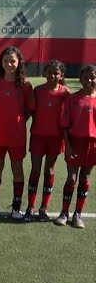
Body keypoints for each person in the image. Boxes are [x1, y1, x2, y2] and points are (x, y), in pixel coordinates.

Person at [0, 46, 33, 219]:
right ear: (1, 62)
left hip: (16, 135)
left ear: (19, 63)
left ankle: (16, 207)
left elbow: (30, 109)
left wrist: (18, 121)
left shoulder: (25, 84)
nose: (9, 64)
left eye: (13, 61)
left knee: (17, 168)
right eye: (5, 61)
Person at [26, 60, 70, 222]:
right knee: (35, 170)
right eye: (49, 72)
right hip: (38, 136)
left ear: (61, 75)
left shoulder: (65, 93)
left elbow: (67, 118)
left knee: (49, 170)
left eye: (56, 73)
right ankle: (30, 206)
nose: (52, 75)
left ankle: (43, 208)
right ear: (44, 74)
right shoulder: (38, 91)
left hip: (55, 138)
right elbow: (29, 111)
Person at [54, 64, 96, 229]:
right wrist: (68, 146)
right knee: (72, 178)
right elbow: (65, 126)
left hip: (92, 145)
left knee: (85, 177)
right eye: (86, 78)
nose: (89, 81)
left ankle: (77, 214)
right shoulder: (73, 99)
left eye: (92, 77)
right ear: (80, 79)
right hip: (75, 143)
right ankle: (64, 212)